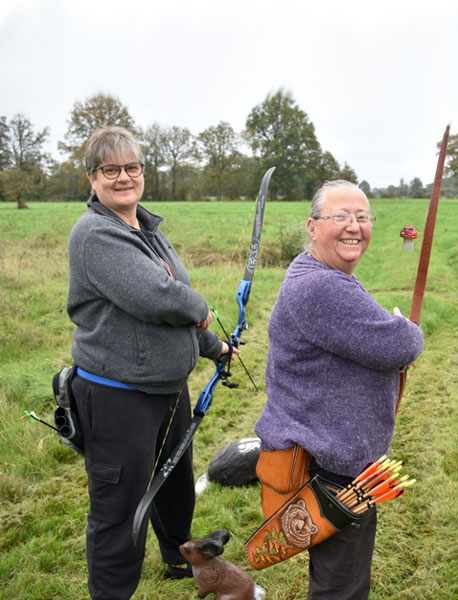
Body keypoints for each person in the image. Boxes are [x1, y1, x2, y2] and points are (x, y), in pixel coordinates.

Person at [68, 126, 232, 599]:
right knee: (119, 507)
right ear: (92, 178)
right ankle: (113, 592)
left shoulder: (146, 227)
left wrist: (213, 348)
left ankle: (178, 559)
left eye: (132, 167)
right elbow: (158, 298)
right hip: (118, 393)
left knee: (175, 485)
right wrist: (200, 308)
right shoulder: (96, 233)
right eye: (110, 170)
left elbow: (167, 317)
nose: (124, 177)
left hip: (165, 387)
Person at [255, 180, 424, 598]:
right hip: (331, 468)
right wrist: (405, 329)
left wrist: (392, 333)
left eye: (363, 217)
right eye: (340, 216)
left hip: (331, 456)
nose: (354, 226)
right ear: (312, 227)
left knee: (339, 579)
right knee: (341, 588)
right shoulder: (322, 286)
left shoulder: (319, 273)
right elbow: (401, 345)